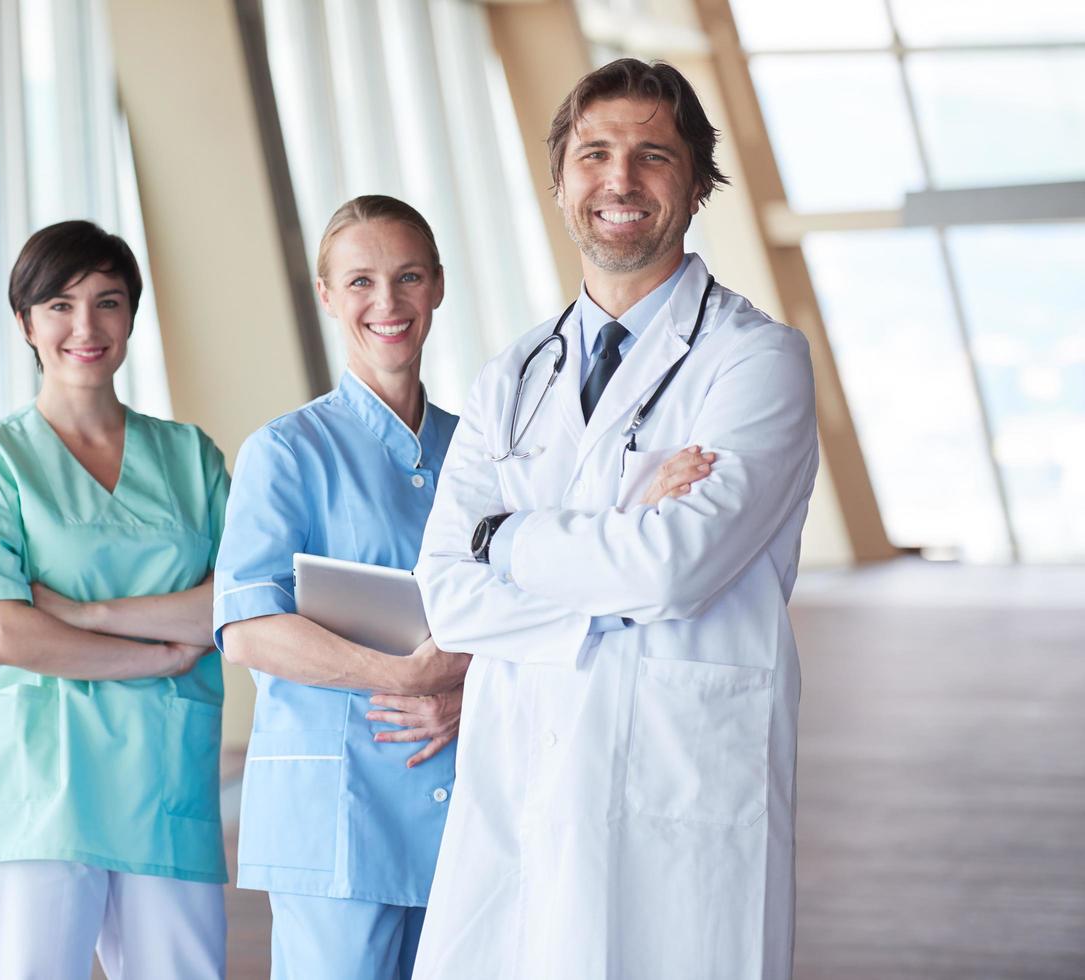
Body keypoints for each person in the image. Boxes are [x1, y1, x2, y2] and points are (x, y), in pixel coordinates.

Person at [213, 195, 703, 980]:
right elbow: (246, 630)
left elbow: (554, 578)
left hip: (473, 801)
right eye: (361, 281)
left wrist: (464, 685)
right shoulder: (287, 452)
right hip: (337, 814)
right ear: (327, 296)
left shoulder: (482, 448)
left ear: (438, 287)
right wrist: (403, 676)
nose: (387, 303)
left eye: (408, 277)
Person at [412, 59, 818, 980]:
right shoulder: (509, 378)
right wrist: (619, 534)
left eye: (653, 156)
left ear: (698, 182)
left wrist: (504, 537)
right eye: (593, 153)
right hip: (524, 772)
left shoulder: (755, 363)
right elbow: (446, 598)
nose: (619, 181)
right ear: (559, 182)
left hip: (675, 781)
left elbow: (674, 568)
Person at [0, 220, 228, 980]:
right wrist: (161, 656)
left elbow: (231, 606)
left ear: (131, 314)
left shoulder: (188, 455)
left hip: (163, 783)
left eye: (107, 301)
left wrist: (84, 615)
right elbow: (2, 635)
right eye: (58, 304)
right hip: (33, 789)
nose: (84, 326)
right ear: (24, 322)